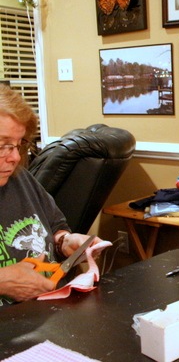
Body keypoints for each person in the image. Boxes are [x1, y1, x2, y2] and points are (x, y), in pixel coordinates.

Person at [0, 85, 103, 306]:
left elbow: (55, 228)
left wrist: (65, 242)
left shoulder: (19, 178)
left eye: (18, 145)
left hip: (50, 312)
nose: (15, 157)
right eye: (3, 145)